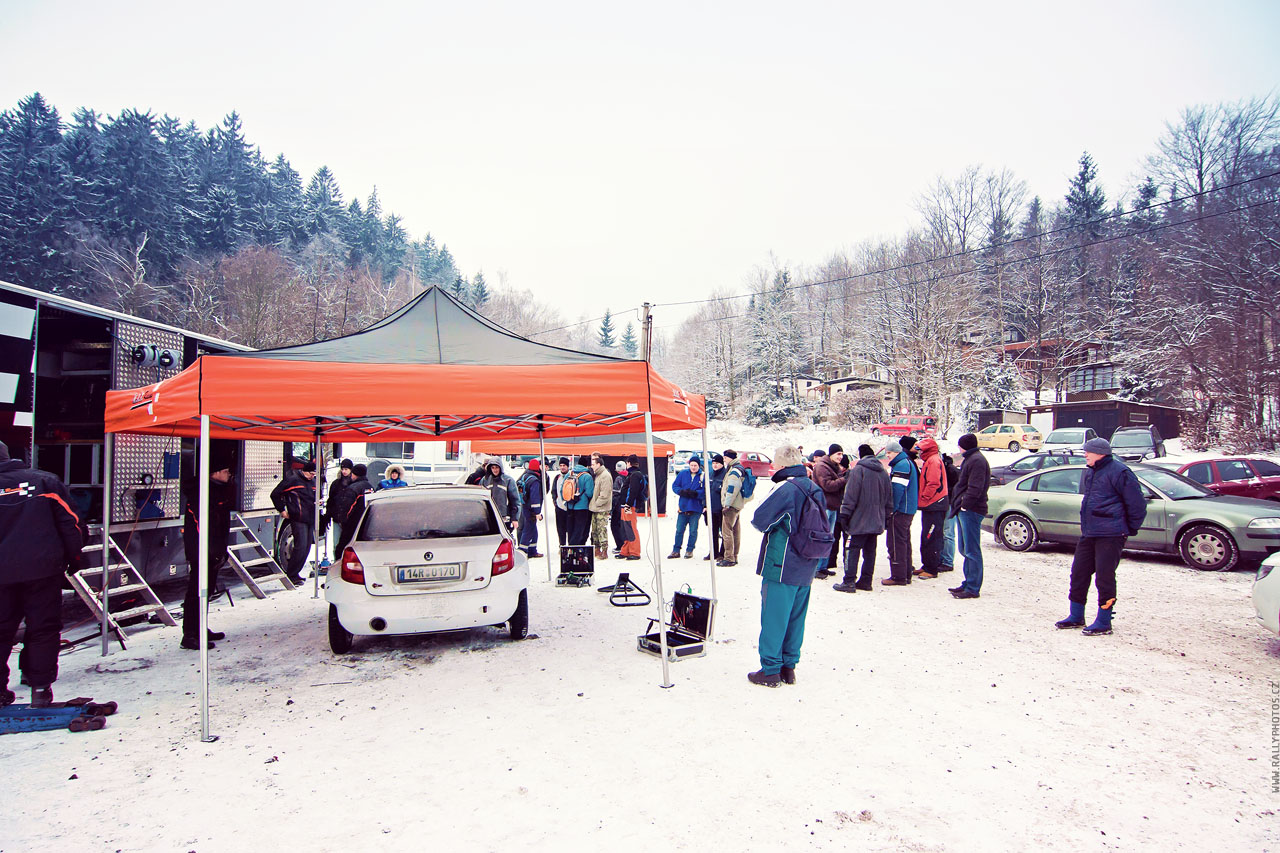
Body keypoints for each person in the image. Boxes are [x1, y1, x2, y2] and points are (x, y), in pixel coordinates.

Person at [0, 440, 84, 707]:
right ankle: (40, 690)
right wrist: (75, 558)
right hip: (42, 570)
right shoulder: (44, 482)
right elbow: (71, 523)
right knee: (43, 628)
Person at [747, 444, 826, 687]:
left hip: (782, 562)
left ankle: (770, 670)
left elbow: (760, 519)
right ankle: (788, 667)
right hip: (808, 562)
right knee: (795, 617)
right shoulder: (813, 487)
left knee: (774, 616)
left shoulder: (786, 488)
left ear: (780, 465)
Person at [1055, 437, 1146, 635]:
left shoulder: (1120, 472)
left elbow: (1137, 504)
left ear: (1100, 453)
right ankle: (1076, 615)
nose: (1085, 454)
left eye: (1088, 451)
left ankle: (1104, 620)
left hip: (1111, 534)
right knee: (1078, 574)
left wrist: (1128, 528)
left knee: (1104, 578)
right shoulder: (1091, 472)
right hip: (1090, 532)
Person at [180, 447, 236, 650]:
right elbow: (201, 525)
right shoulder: (201, 492)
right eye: (226, 471)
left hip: (213, 551)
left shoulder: (216, 490)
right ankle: (190, 634)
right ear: (215, 472)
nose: (229, 474)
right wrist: (211, 552)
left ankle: (200, 627)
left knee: (207, 590)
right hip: (202, 551)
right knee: (197, 590)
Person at [834, 444, 892, 592]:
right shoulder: (883, 472)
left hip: (859, 519)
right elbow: (889, 497)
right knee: (870, 551)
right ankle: (866, 581)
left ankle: (849, 581)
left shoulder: (858, 470)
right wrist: (886, 516)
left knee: (853, 549)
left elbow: (851, 495)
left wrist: (845, 514)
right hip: (877, 519)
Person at [949, 433, 991, 600]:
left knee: (972, 550)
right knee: (965, 549)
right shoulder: (972, 458)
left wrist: (965, 504)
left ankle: (973, 587)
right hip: (965, 508)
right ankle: (968, 582)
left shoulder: (976, 460)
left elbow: (975, 487)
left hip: (971, 510)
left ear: (963, 446)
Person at [270, 460, 317, 584]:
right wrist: (282, 509)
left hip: (310, 518)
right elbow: (275, 494)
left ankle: (296, 572)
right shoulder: (292, 480)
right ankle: (291, 574)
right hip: (298, 518)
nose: (313, 476)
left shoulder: (313, 482)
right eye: (311, 474)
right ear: (304, 471)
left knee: (307, 547)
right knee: (300, 546)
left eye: (314, 474)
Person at [883, 440, 918, 586]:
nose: (887, 456)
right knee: (904, 542)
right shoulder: (907, 463)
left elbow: (898, 490)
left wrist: (891, 509)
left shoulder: (902, 465)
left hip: (901, 510)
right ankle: (906, 573)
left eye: (889, 453)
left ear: (896, 452)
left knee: (896, 543)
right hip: (907, 509)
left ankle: (898, 576)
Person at [913, 438, 949, 580]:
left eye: (921, 450)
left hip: (934, 504)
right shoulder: (931, 460)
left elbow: (933, 483)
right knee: (927, 535)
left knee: (931, 536)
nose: (919, 452)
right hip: (932, 504)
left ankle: (931, 568)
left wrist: (924, 497)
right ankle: (927, 564)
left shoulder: (933, 461)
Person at [812, 444, 847, 579]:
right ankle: (816, 568)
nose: (840, 457)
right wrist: (844, 479)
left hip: (832, 506)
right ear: (831, 454)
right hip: (824, 506)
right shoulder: (822, 466)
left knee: (829, 537)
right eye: (838, 454)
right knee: (822, 536)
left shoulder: (834, 467)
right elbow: (828, 485)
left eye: (842, 454)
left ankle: (823, 566)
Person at [669, 455, 704, 559]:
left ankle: (690, 549)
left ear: (699, 466)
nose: (693, 467)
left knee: (693, 530)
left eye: (695, 465)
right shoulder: (683, 474)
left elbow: (706, 491)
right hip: (683, 507)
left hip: (695, 507)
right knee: (679, 529)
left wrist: (696, 493)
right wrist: (681, 491)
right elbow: (675, 486)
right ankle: (676, 550)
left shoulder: (702, 476)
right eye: (692, 465)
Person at [334, 464, 373, 555]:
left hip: (352, 523)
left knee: (343, 547)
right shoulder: (370, 487)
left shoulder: (353, 488)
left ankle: (340, 565)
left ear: (355, 474)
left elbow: (348, 507)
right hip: (366, 523)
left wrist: (343, 520)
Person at [719, 450, 749, 567]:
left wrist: (727, 504)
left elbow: (732, 488)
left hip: (731, 506)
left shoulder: (734, 470)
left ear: (729, 458)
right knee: (735, 531)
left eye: (725, 458)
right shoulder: (739, 467)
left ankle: (729, 558)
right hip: (737, 504)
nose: (724, 460)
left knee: (727, 532)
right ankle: (734, 556)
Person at [323, 458, 354, 559]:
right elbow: (331, 500)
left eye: (346, 469)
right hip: (337, 518)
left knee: (349, 544)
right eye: (343, 469)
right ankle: (337, 561)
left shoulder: (354, 484)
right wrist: (327, 515)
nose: (344, 471)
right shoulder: (336, 484)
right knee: (336, 544)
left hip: (349, 520)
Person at [480, 457, 520, 533]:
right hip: (489, 517)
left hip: (504, 518)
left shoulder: (508, 481)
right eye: (493, 467)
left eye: (497, 467)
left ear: (500, 467)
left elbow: (515, 501)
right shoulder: (485, 480)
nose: (495, 470)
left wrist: (515, 519)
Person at [517, 458, 545, 558]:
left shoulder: (524, 476)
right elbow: (535, 498)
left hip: (523, 506)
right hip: (531, 510)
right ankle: (522, 552)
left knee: (533, 529)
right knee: (528, 530)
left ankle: (533, 550)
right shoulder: (534, 481)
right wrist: (537, 512)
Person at [619, 454, 646, 560]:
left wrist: (628, 505)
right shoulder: (633, 474)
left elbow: (633, 491)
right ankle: (626, 550)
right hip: (625, 505)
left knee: (631, 528)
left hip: (629, 505)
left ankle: (635, 552)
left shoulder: (635, 475)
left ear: (629, 463)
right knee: (625, 528)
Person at [565, 456, 595, 547]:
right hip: (582, 507)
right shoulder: (587, 476)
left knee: (571, 528)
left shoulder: (569, 474)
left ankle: (570, 545)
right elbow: (590, 493)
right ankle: (576, 547)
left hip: (570, 505)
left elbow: (562, 489)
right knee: (580, 529)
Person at [588, 453, 613, 560]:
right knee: (595, 530)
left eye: (593, 464)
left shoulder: (605, 476)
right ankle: (597, 549)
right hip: (596, 507)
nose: (591, 466)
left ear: (598, 464)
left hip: (601, 508)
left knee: (601, 529)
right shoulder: (598, 475)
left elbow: (605, 494)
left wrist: (597, 503)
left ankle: (604, 550)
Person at [939, 452, 961, 573]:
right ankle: (944, 559)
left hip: (950, 503)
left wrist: (945, 492)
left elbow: (959, 486)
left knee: (948, 532)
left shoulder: (950, 470)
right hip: (946, 502)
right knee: (945, 532)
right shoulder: (947, 468)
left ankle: (947, 561)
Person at [707, 453, 726, 561]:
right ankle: (713, 552)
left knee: (723, 532)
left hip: (721, 508)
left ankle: (722, 553)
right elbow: (706, 490)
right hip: (711, 508)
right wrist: (705, 505)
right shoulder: (710, 474)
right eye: (713, 463)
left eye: (717, 463)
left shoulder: (725, 475)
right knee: (712, 531)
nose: (715, 465)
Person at [551, 457, 572, 547]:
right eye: (561, 465)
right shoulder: (557, 478)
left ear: (568, 466)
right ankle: (562, 546)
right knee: (560, 529)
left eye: (564, 465)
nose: (562, 467)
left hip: (569, 508)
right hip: (559, 507)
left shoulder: (571, 476)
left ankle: (570, 546)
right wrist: (555, 502)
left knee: (570, 529)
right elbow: (553, 490)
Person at [610, 461, 629, 555]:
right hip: (626, 505)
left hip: (618, 505)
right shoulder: (628, 476)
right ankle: (625, 545)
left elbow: (616, 493)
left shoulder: (618, 478)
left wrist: (611, 507)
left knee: (614, 525)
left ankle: (620, 545)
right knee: (624, 525)